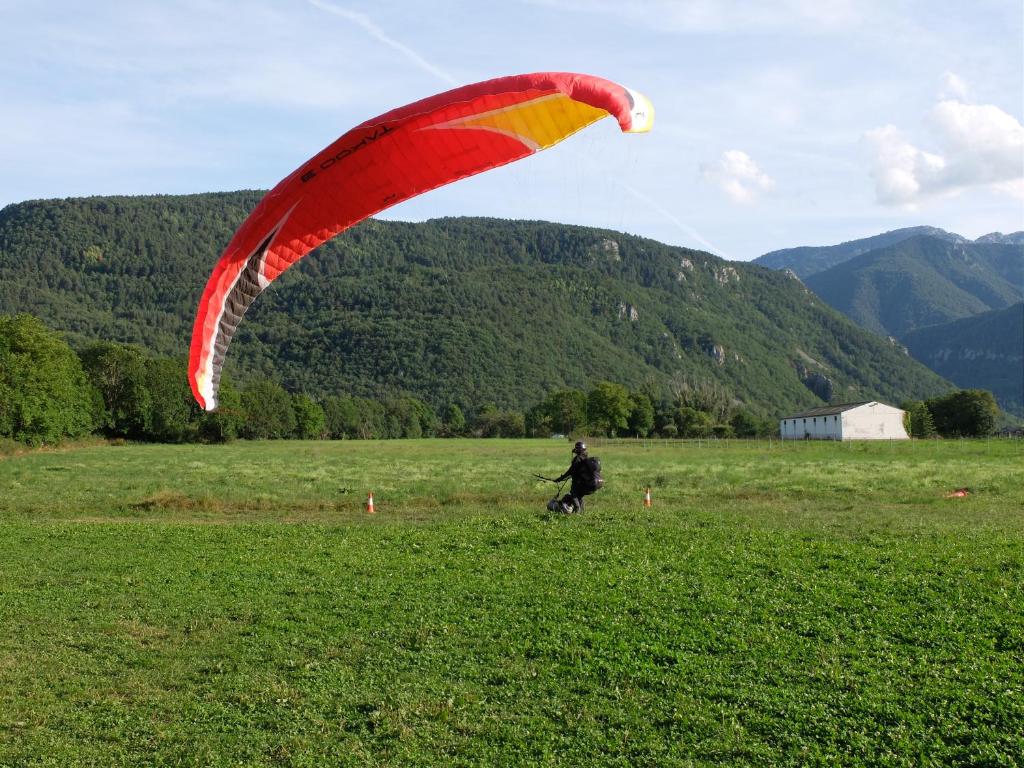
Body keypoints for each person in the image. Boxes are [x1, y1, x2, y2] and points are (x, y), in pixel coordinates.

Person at [553, 441, 596, 513]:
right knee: (580, 496)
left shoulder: (577, 459)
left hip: (577, 482)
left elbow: (570, 471)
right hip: (584, 482)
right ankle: (582, 512)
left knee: (574, 495)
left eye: (576, 449)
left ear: (578, 450)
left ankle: (577, 510)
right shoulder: (585, 457)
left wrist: (560, 478)